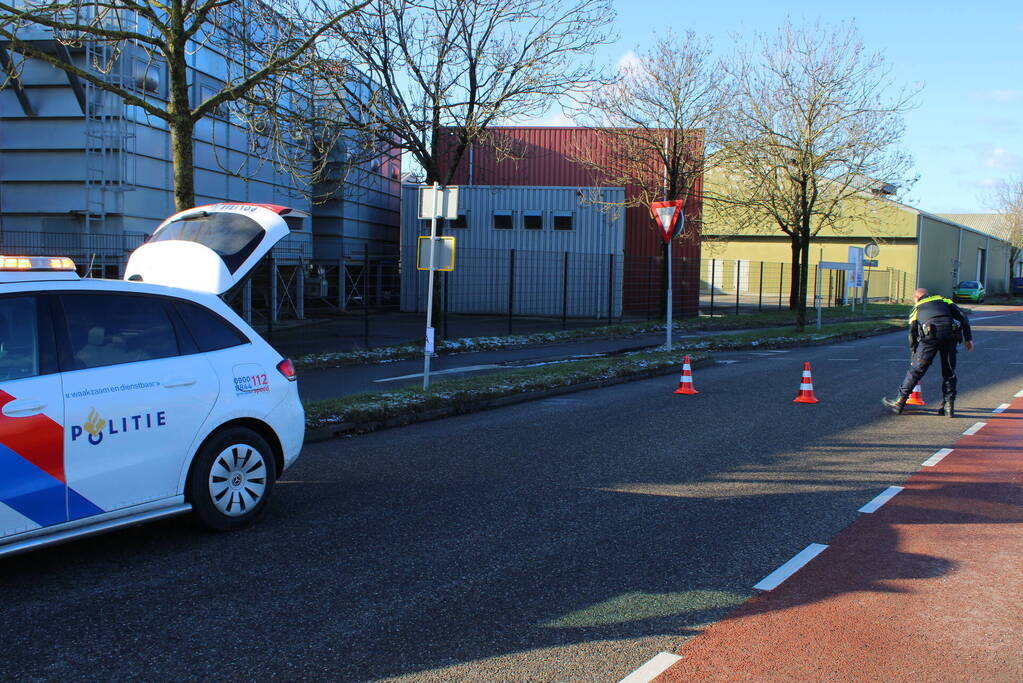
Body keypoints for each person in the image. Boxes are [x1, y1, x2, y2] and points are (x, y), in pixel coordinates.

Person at [883, 287, 974, 416]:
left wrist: (914, 352)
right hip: (950, 335)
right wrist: (968, 339)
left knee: (916, 370)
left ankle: (900, 402)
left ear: (916, 297)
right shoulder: (944, 300)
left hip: (930, 336)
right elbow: (962, 317)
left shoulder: (917, 307)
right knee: (949, 371)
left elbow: (912, 332)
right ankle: (948, 406)